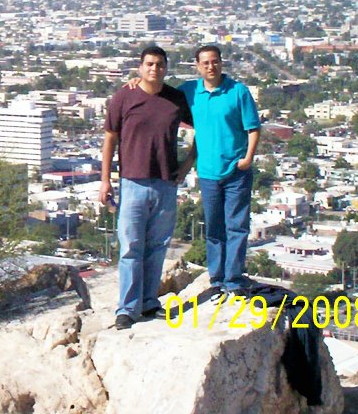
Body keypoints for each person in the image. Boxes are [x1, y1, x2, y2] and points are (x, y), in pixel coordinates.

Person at [100, 45, 193, 330]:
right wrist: (105, 180)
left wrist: (188, 163)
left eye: (160, 65)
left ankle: (149, 301)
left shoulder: (176, 99)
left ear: (166, 68)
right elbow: (109, 139)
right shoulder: (124, 97)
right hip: (132, 181)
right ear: (140, 67)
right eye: (150, 64)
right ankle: (127, 309)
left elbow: (202, 126)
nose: (155, 69)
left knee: (157, 246)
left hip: (166, 182)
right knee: (130, 247)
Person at [179, 44, 261, 301]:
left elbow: (254, 128)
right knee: (214, 227)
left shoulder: (238, 92)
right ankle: (216, 278)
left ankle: (233, 279)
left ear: (221, 63)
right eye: (205, 63)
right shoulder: (190, 91)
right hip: (208, 172)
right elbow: (160, 96)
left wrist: (248, 158)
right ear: (197, 66)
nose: (210, 66)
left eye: (214, 61)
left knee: (236, 226)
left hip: (236, 170)